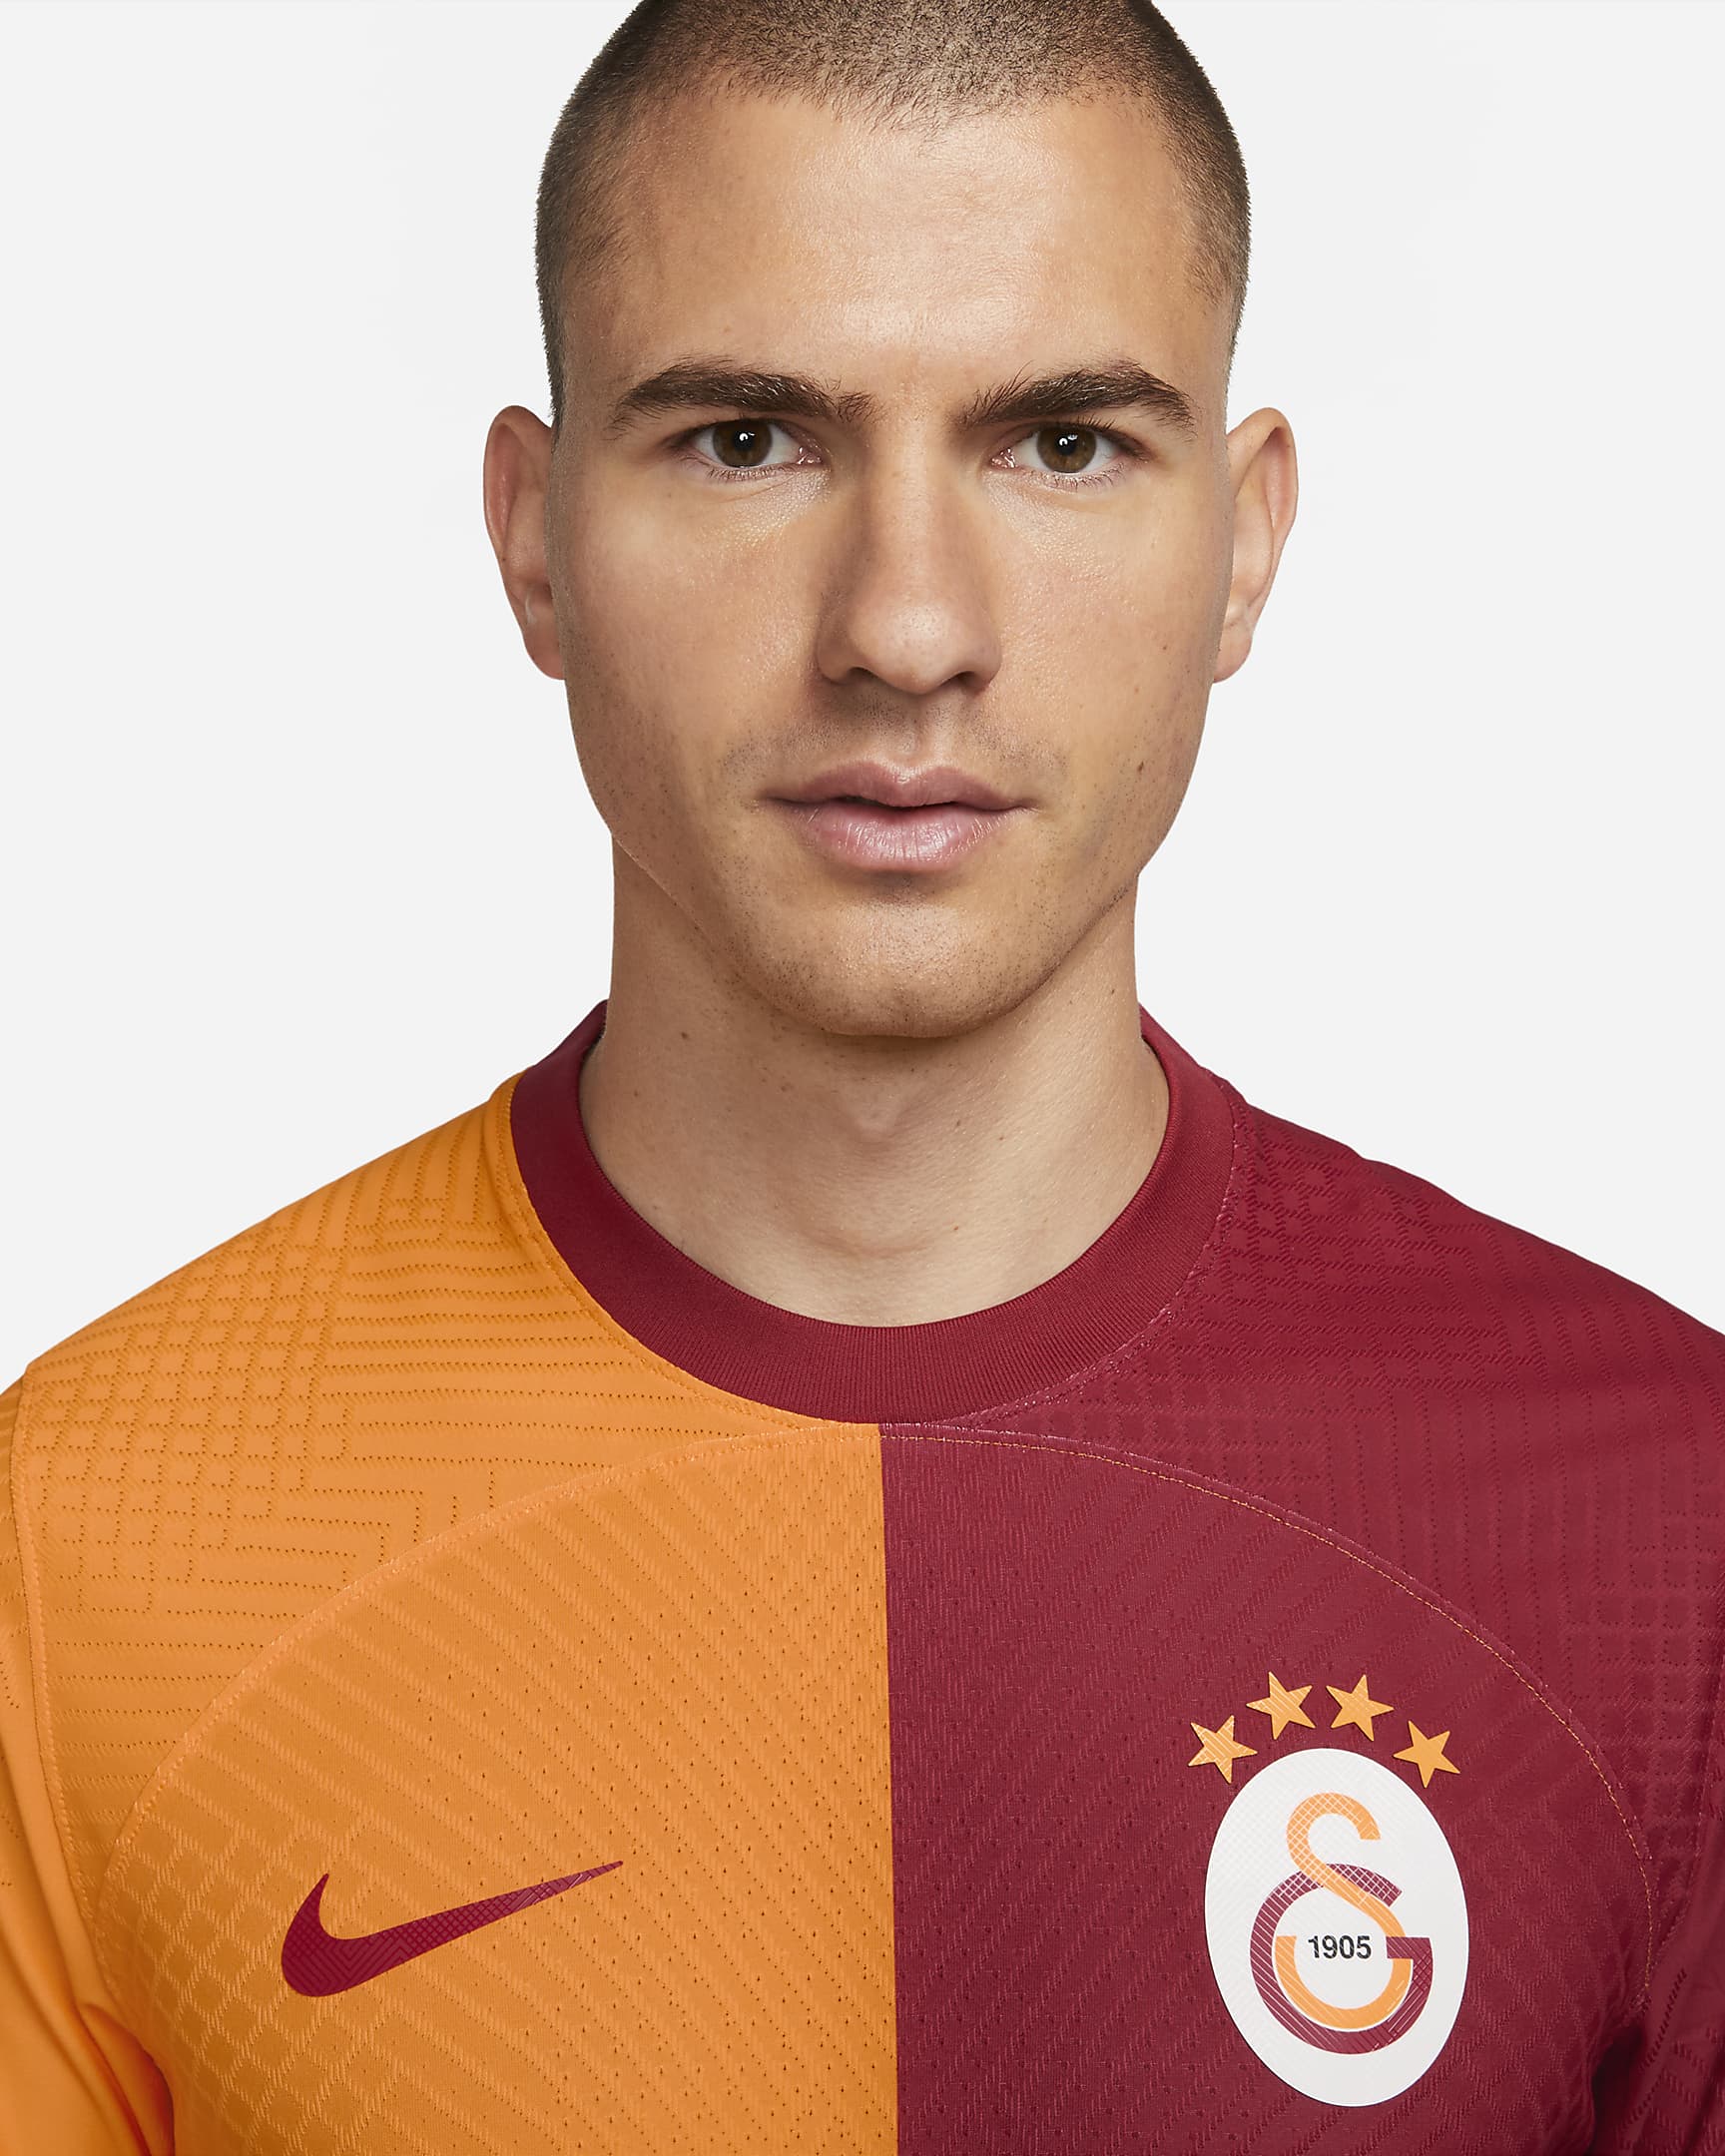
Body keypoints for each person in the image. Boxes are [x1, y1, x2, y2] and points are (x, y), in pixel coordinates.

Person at [2, 0, 1720, 2148]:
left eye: (1062, 445)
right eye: (749, 441)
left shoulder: (1665, 1530)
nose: (907, 629)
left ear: (1246, 543)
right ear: (533, 540)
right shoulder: (92, 1545)